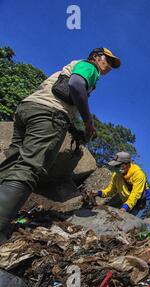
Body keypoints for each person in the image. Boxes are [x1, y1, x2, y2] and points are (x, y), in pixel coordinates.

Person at [0, 48, 121, 242]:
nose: (109, 66)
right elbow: (75, 85)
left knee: (11, 164)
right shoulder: (90, 68)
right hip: (49, 114)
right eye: (108, 60)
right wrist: (88, 121)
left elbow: (63, 92)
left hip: (28, 108)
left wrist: (73, 128)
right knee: (29, 168)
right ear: (96, 57)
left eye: (112, 64)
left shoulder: (72, 66)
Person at [94, 152, 150, 219]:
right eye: (115, 166)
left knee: (133, 221)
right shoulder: (116, 175)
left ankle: (148, 226)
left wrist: (125, 208)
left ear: (127, 164)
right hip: (125, 195)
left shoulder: (139, 175)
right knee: (108, 209)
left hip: (141, 200)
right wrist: (98, 193)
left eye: (117, 165)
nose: (115, 168)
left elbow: (135, 195)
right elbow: (110, 190)